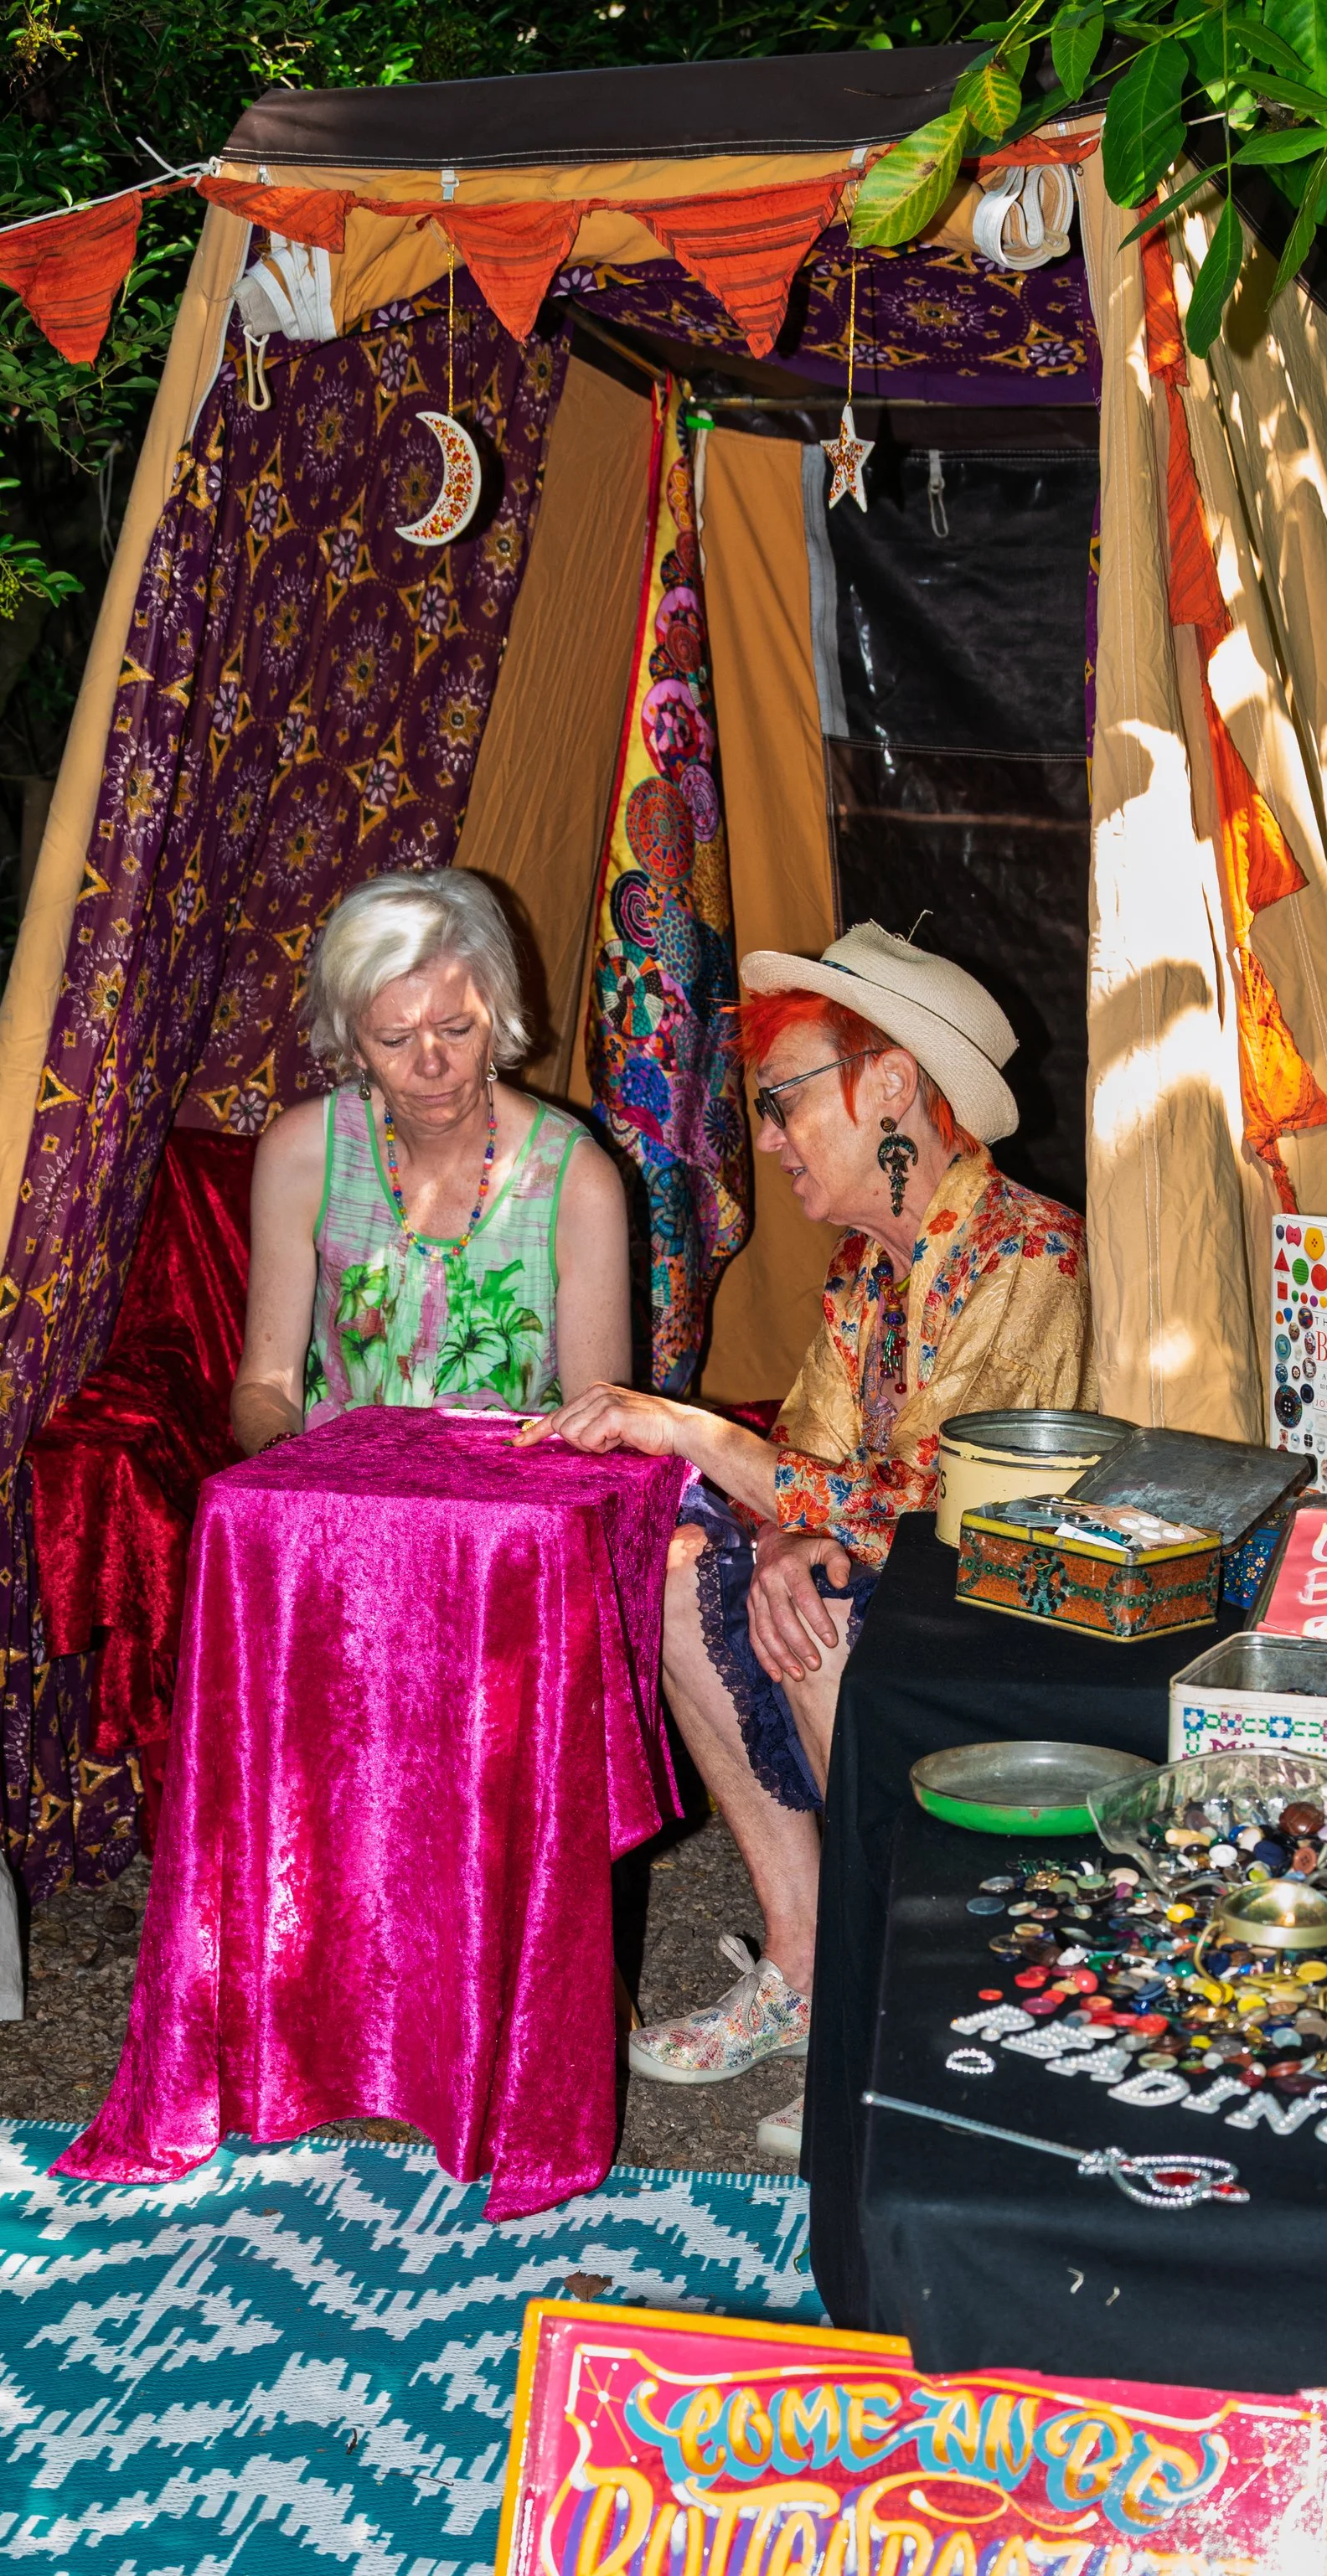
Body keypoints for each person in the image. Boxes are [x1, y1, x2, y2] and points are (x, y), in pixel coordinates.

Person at [525, 921, 1100, 2160]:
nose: (769, 1140)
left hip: (1014, 1634)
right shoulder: (864, 1273)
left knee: (835, 1588)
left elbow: (954, 1504)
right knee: (679, 1570)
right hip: (892, 1593)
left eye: (784, 1104)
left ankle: (901, 2007)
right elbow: (809, 1462)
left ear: (890, 1083)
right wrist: (780, 1525)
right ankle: (805, 1958)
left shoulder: (1032, 1252)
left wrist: (700, 1438)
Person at [231, 870, 630, 1450]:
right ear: (353, 1045)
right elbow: (265, 1385)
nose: (432, 1065)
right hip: (337, 1503)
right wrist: (299, 1476)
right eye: (394, 1039)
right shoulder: (303, 1156)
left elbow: (601, 1430)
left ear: (497, 1020)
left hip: (508, 1521)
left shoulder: (576, 1184)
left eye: (457, 1028)